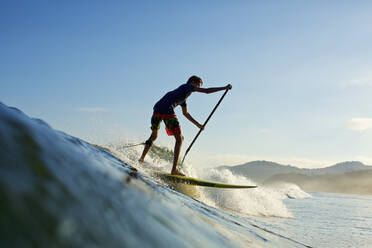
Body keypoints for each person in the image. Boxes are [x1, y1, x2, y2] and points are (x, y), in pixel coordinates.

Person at [138, 75, 232, 176]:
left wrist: (198, 125)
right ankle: (174, 169)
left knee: (154, 135)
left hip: (157, 109)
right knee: (180, 139)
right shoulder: (186, 87)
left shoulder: (183, 96)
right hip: (166, 109)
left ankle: (141, 159)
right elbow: (207, 91)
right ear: (192, 82)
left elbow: (185, 113)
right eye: (198, 85)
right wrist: (224, 88)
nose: (198, 88)